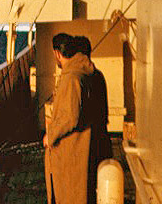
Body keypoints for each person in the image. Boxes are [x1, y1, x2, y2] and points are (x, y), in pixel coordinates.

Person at [43, 33, 95, 204]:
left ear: (57, 53)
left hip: (68, 153)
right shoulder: (78, 74)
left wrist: (50, 136)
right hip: (74, 151)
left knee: (69, 196)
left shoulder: (71, 78)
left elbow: (70, 117)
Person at [75, 36, 112, 204]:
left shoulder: (85, 78)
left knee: (89, 184)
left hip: (92, 139)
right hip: (103, 136)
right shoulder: (99, 75)